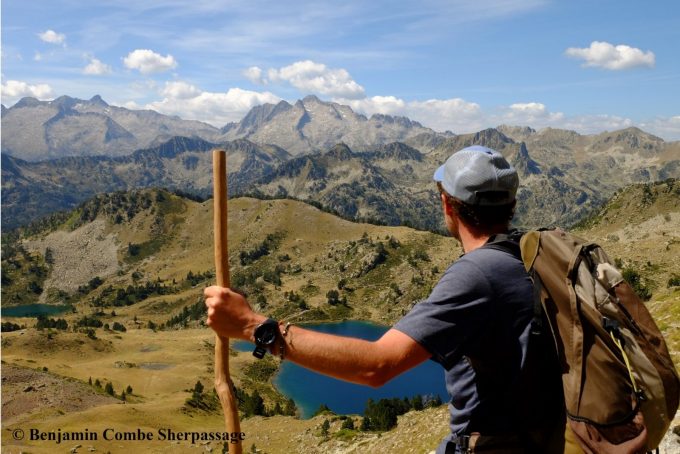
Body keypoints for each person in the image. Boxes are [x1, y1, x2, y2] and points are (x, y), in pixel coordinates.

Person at [205, 145, 568, 453]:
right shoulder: (532, 255)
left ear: (447, 205)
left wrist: (254, 327)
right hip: (538, 439)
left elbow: (376, 366)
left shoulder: (478, 274)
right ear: (512, 205)